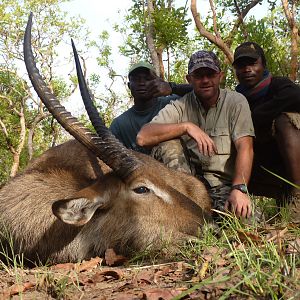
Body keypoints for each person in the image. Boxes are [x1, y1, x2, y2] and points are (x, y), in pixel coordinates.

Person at [137, 50, 255, 218]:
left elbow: (246, 147)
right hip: (188, 188)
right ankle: (183, 210)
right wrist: (186, 127)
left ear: (220, 76)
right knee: (167, 144)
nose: (205, 80)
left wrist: (239, 189)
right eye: (199, 76)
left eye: (210, 74)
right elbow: (143, 137)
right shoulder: (179, 106)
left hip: (224, 188)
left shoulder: (236, 102)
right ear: (189, 79)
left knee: (247, 223)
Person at [232, 42, 300, 222]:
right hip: (263, 169)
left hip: (291, 162)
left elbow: (295, 97)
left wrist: (253, 117)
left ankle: (298, 193)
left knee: (286, 121)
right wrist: (173, 87)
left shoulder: (280, 85)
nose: (247, 69)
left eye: (253, 63)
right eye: (241, 65)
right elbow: (207, 90)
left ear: (263, 65)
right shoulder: (236, 98)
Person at [109, 61, 190, 154]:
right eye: (136, 79)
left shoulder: (173, 104)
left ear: (157, 82)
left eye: (147, 79)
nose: (142, 83)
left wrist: (172, 87)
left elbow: (201, 92)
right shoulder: (119, 125)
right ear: (129, 86)